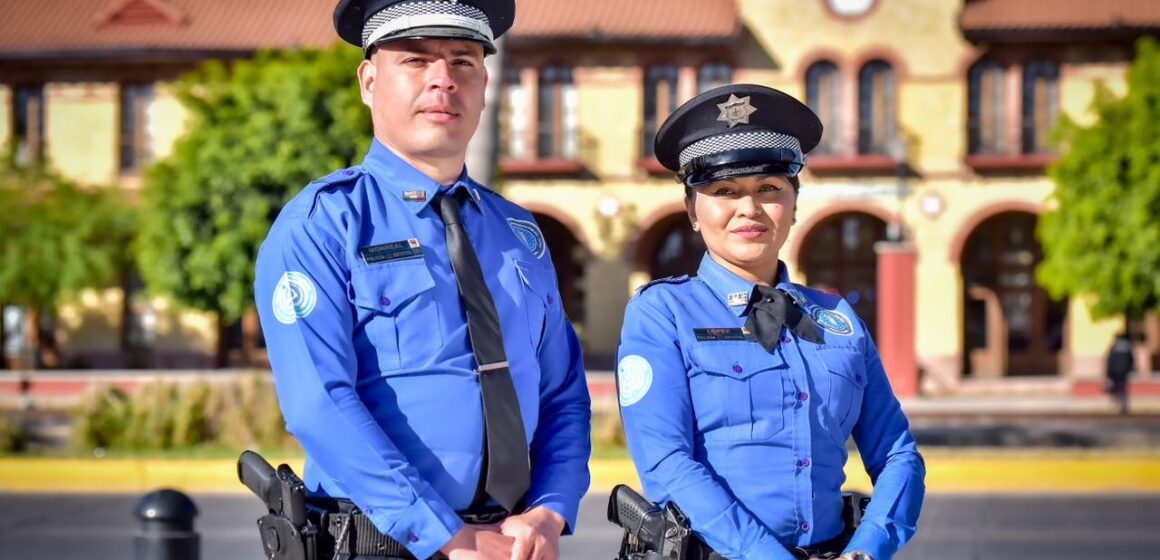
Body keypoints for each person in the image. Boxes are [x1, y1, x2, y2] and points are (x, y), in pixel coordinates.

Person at [253, 1, 591, 559]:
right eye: (415, 60)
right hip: (380, 544)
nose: (443, 79)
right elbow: (319, 402)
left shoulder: (517, 233)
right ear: (369, 82)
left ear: (484, 85)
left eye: (463, 62)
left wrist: (550, 510)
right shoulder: (324, 224)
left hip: (511, 544)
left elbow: (563, 393)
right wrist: (444, 535)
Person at [614, 84, 925, 560]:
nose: (749, 209)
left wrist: (869, 548)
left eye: (769, 189)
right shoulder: (663, 314)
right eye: (725, 191)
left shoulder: (837, 320)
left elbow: (898, 453)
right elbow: (666, 463)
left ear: (795, 205)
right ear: (692, 211)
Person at [1106, 332, 1134, 415]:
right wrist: (1129, 369)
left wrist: (1109, 372)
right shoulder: (1128, 348)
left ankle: (1116, 405)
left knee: (1115, 388)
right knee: (1123, 388)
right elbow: (1131, 360)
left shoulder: (1114, 348)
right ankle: (1123, 405)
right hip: (1124, 372)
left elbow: (1110, 361)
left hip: (1115, 372)